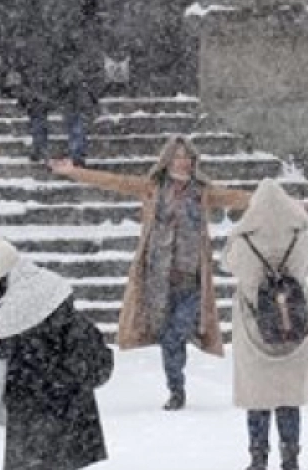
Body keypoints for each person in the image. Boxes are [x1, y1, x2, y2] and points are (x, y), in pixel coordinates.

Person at [50, 137, 253, 410]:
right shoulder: (152, 188)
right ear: (168, 160)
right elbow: (114, 181)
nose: (183, 161)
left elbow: (239, 198)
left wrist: (287, 203)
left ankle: (176, 387)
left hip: (192, 281)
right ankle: (176, 390)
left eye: (187, 157)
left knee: (174, 334)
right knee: (170, 338)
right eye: (178, 156)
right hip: (158, 281)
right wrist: (74, 172)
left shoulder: (202, 192)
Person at [0, 231, 113, 470]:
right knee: (56, 458)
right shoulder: (47, 282)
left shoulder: (12, 307)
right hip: (68, 385)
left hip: (37, 390)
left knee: (43, 457)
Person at [221, 179, 308, 470]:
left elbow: (228, 264)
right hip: (293, 323)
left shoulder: (244, 240)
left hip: (254, 324)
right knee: (288, 395)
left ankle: (258, 457)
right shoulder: (299, 236)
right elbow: (304, 268)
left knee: (257, 395)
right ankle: (291, 457)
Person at [0, 0, 105, 163]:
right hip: (48, 49)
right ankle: (57, 148)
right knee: (52, 102)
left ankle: (58, 149)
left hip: (53, 49)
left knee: (58, 102)